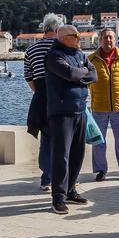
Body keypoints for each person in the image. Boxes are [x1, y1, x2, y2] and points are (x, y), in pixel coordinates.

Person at [43, 24, 96, 214]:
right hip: (61, 113)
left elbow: (94, 74)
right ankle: (58, 197)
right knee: (61, 157)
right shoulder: (53, 56)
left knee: (77, 154)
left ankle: (71, 190)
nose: (79, 38)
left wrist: (79, 73)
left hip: (80, 110)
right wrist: (82, 73)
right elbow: (70, 73)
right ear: (63, 37)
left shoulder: (80, 55)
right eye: (75, 35)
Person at [87, 28, 119, 182]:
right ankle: (101, 170)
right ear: (100, 40)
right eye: (105, 38)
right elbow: (88, 80)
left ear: (115, 40)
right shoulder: (91, 59)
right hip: (99, 107)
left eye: (111, 37)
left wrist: (118, 92)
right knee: (98, 141)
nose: (108, 40)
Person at [24, 13, 63, 191]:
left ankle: (46, 178)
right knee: (63, 139)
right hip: (62, 98)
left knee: (46, 139)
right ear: (57, 29)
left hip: (40, 98)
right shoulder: (62, 47)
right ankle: (61, 178)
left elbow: (29, 77)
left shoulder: (31, 50)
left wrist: (40, 92)